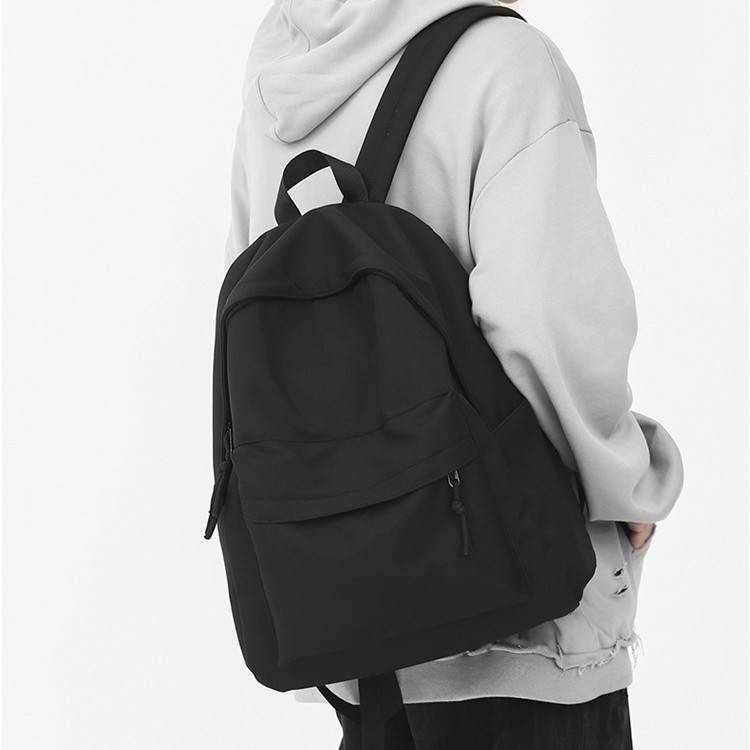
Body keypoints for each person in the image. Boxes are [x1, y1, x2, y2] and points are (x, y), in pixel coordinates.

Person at [222, 0, 685, 747]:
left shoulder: (282, 67)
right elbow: (549, 322)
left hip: (358, 638)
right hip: (529, 631)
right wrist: (626, 483)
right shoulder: (509, 64)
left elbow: (256, 309)